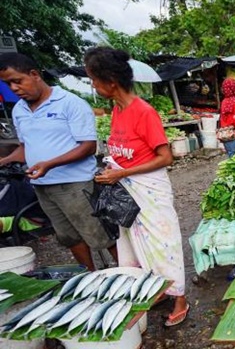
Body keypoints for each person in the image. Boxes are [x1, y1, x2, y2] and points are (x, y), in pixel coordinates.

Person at [84, 47, 189, 327]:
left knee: (163, 244)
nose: (92, 85)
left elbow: (165, 156)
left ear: (111, 82)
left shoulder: (144, 112)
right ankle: (157, 288)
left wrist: (123, 172)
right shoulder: (117, 111)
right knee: (134, 244)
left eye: (93, 79)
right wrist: (112, 168)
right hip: (126, 192)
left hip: (149, 191)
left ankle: (179, 297)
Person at [0, 53, 116, 271]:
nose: (14, 88)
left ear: (34, 74)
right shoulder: (19, 110)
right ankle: (89, 275)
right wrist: (5, 160)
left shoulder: (70, 103)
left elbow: (88, 146)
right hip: (42, 186)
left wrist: (49, 164)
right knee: (68, 236)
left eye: (17, 81)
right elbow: (25, 148)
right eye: (8, 84)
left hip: (75, 184)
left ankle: (130, 275)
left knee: (99, 233)